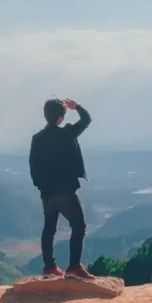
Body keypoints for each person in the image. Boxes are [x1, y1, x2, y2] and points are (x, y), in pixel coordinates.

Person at [29, 97, 94, 279]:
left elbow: (33, 165)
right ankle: (74, 267)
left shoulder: (37, 138)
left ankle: (50, 268)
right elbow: (86, 120)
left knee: (49, 228)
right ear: (61, 117)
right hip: (65, 190)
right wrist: (77, 107)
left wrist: (41, 186)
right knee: (79, 226)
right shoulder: (67, 133)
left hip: (47, 193)